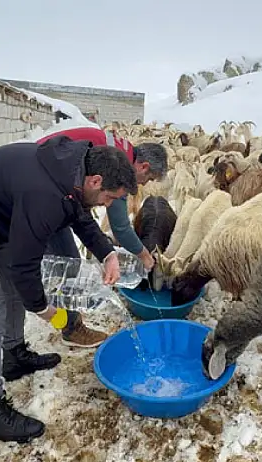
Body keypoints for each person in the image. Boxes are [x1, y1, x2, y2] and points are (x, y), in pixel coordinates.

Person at [0, 135, 138, 443]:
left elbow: (80, 216)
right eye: (110, 197)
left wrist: (108, 253)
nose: (109, 204)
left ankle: (14, 355)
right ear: (95, 180)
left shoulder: (73, 170)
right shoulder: (44, 195)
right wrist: (45, 310)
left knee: (10, 292)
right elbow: (25, 265)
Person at [35, 126, 168, 320]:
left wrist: (106, 252)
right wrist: (145, 257)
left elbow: (82, 215)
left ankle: (66, 318)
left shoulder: (120, 148)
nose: (143, 185)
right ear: (144, 166)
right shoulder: (119, 170)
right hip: (40, 193)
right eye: (148, 179)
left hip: (44, 175)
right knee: (65, 265)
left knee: (68, 258)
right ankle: (67, 323)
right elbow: (120, 227)